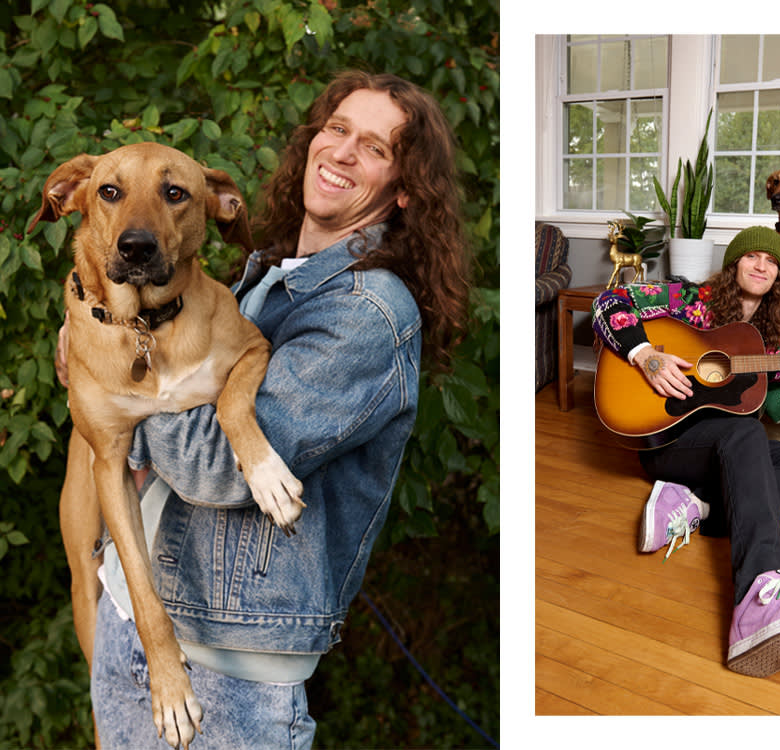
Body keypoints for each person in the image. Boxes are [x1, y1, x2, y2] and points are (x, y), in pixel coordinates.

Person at [63, 70, 470, 748]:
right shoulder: (265, 276)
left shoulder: (366, 313)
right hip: (132, 622)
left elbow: (218, 469)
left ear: (404, 189)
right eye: (337, 129)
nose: (342, 151)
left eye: (373, 147)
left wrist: (100, 387)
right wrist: (95, 339)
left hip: (231, 672)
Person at [592, 225, 780, 678]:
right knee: (746, 435)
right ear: (734, 264)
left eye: (772, 263)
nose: (762, 266)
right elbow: (607, 303)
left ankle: (696, 503)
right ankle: (759, 596)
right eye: (752, 257)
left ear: (778, 278)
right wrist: (645, 356)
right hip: (670, 443)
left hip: (726, 453)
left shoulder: (772, 343)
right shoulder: (688, 299)